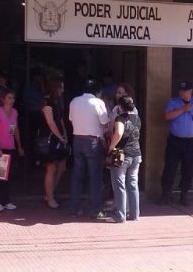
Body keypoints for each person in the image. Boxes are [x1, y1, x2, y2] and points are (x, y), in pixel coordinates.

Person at [158, 81, 193, 207]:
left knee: (188, 169)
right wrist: (183, 109)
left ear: (190, 91)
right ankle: (165, 194)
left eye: (185, 91)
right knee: (170, 167)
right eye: (181, 91)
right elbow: (167, 116)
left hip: (191, 142)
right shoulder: (173, 102)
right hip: (175, 141)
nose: (183, 93)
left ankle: (184, 195)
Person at [68, 78, 110, 218]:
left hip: (77, 139)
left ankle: (74, 208)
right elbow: (105, 123)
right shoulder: (98, 103)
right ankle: (95, 209)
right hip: (92, 141)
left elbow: (71, 119)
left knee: (77, 175)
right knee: (95, 176)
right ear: (98, 92)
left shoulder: (74, 101)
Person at [107, 96, 142, 223]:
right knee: (133, 183)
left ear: (120, 107)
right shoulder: (137, 118)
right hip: (136, 154)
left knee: (119, 184)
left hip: (122, 155)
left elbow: (119, 133)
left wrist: (111, 146)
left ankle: (120, 216)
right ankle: (135, 214)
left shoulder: (120, 118)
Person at [0, 88, 23, 212]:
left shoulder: (14, 112)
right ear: (3, 99)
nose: (12, 100)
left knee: (8, 175)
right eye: (9, 97)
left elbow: (15, 130)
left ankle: (6, 200)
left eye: (13, 98)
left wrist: (19, 145)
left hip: (10, 146)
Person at [40, 78, 69, 209]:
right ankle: (50, 198)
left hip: (60, 137)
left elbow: (60, 119)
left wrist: (65, 135)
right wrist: (60, 136)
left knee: (62, 166)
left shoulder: (58, 102)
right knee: (51, 168)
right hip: (50, 138)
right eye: (61, 87)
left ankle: (50, 192)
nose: (62, 90)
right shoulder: (47, 103)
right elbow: (50, 122)